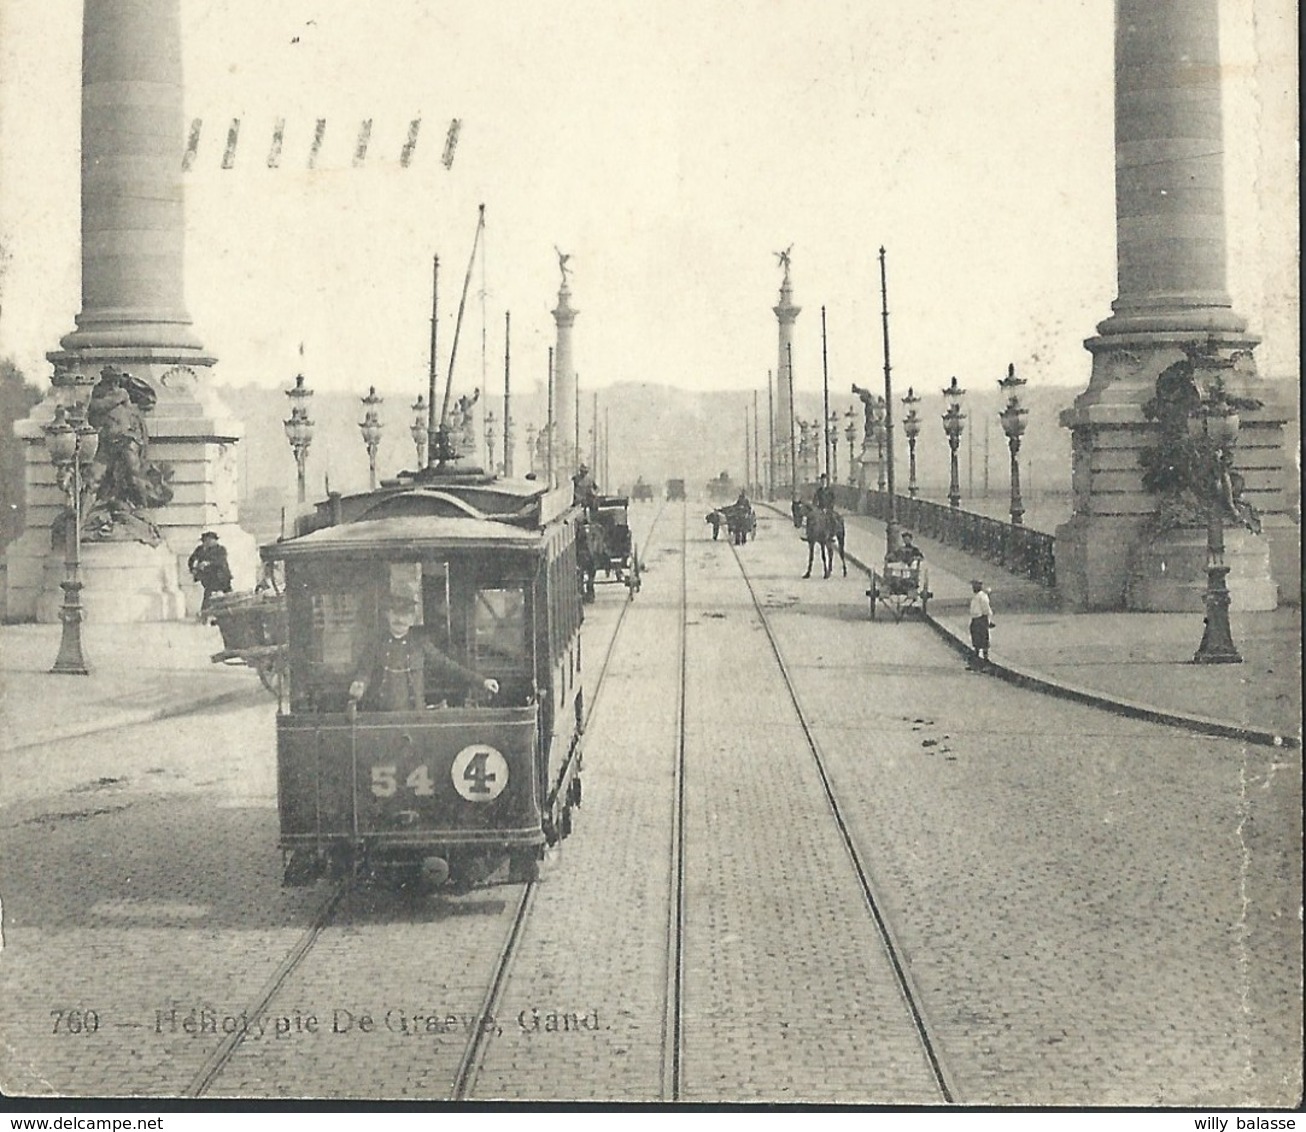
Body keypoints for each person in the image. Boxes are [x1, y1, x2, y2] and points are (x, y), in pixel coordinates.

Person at [349, 594, 499, 711]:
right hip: (383, 717)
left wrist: (482, 681)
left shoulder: (420, 644)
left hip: (416, 717)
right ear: (387, 615)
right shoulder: (376, 644)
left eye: (405, 615)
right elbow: (364, 672)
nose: (399, 619)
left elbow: (448, 665)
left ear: (412, 618)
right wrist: (359, 684)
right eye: (395, 614)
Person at [188, 531, 233, 615]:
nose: (206, 543)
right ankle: (205, 615)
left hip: (222, 576)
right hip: (209, 577)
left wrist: (208, 563)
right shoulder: (200, 549)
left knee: (228, 595)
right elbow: (191, 559)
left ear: (214, 540)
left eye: (209, 540)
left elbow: (220, 561)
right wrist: (193, 569)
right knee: (208, 595)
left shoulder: (221, 549)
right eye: (205, 541)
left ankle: (231, 612)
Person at [968, 578, 995, 667]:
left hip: (981, 619)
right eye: (973, 586)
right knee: (976, 641)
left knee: (983, 640)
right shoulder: (976, 596)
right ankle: (976, 662)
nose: (973, 588)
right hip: (975, 619)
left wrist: (988, 620)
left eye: (975, 586)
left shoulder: (982, 596)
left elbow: (986, 609)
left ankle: (985, 661)